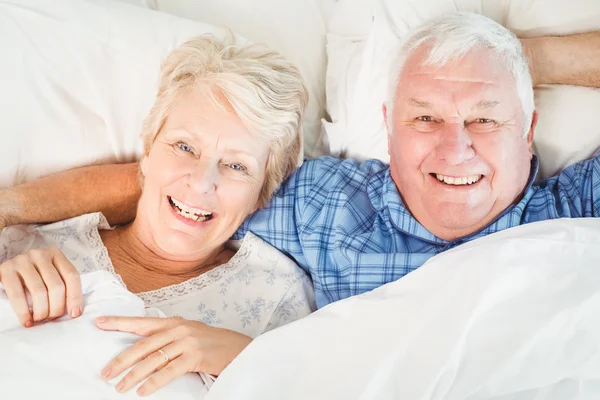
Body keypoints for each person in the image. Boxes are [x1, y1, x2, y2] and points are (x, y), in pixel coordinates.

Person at [2, 13, 600, 307]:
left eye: (486, 118)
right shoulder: (325, 202)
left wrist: (525, 58)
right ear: (388, 129)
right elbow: (191, 187)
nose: (455, 146)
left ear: (529, 132)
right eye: (426, 117)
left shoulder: (573, 209)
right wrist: (12, 211)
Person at [0, 33, 315, 396]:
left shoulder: (276, 296)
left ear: (262, 193)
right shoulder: (30, 240)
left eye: (235, 166)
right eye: (185, 147)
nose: (201, 183)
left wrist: (241, 358)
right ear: (147, 153)